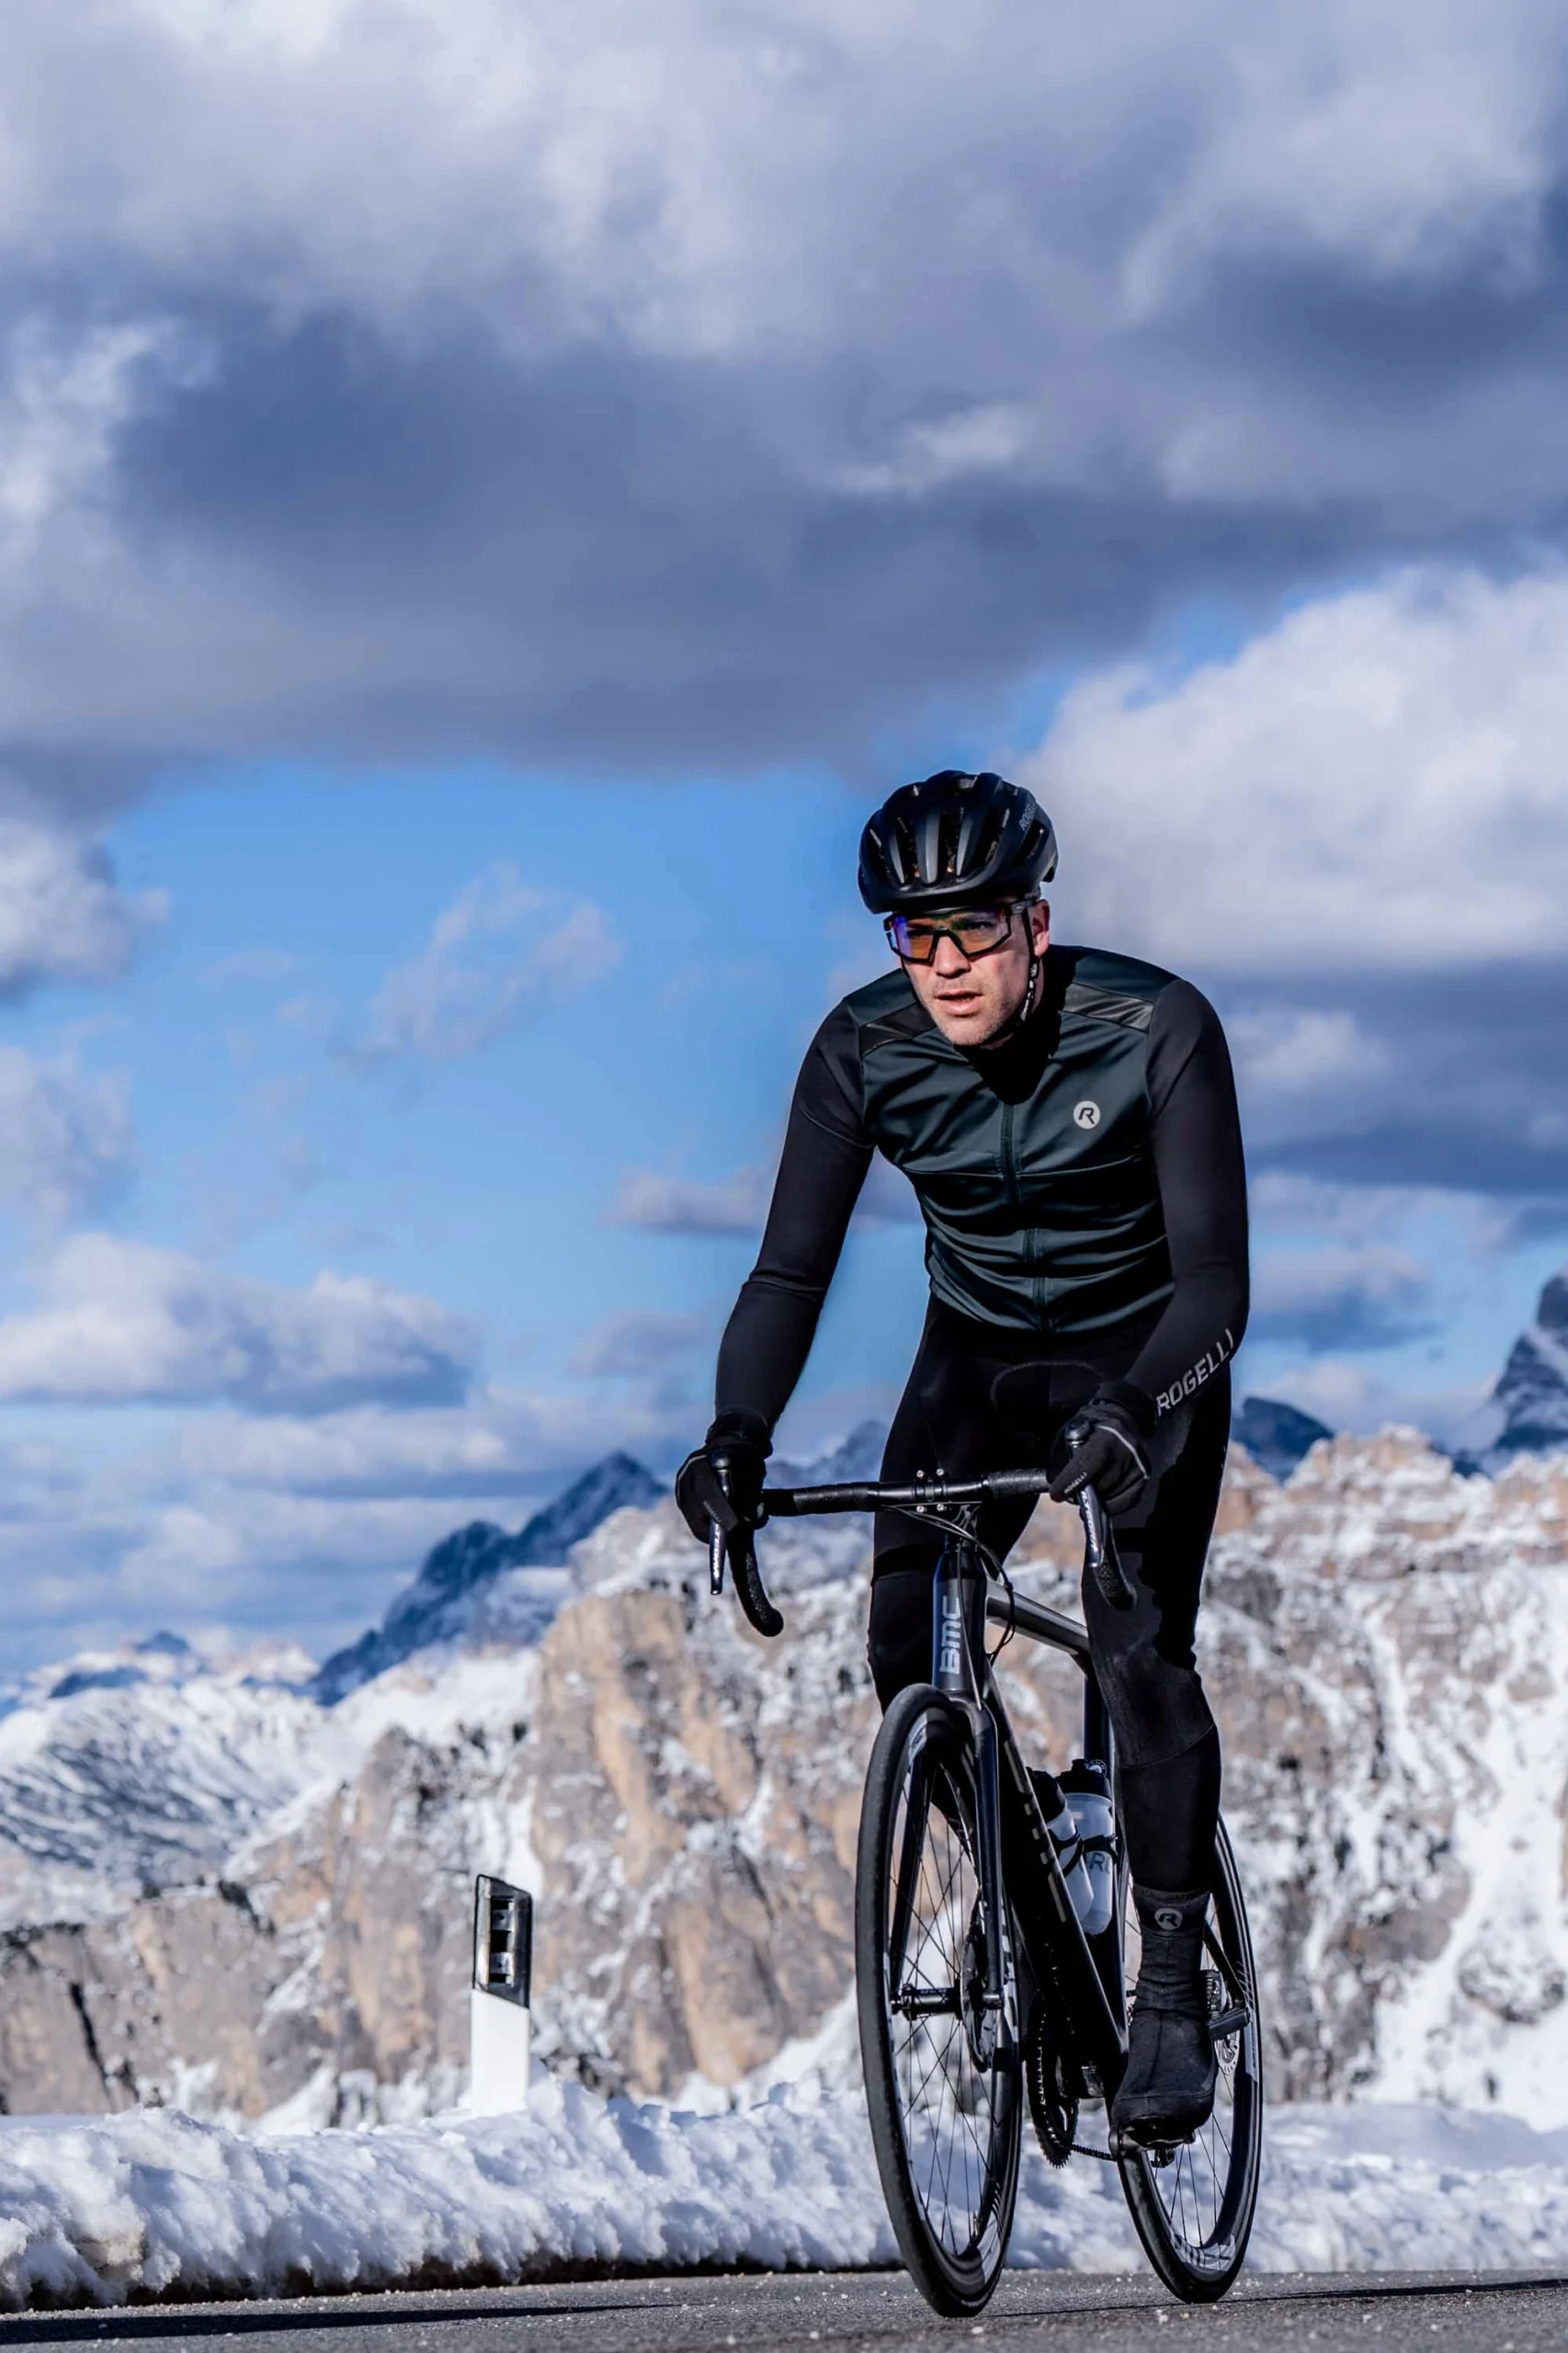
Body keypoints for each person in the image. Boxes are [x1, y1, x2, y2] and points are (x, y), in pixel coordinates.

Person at [676, 768, 1248, 2143]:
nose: (942, 964)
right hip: (975, 1359)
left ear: (1034, 923)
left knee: (1136, 1651)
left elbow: (1218, 1285)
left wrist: (1137, 1409)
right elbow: (788, 1275)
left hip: (1141, 1358)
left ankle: (1171, 1989)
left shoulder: (1155, 1027)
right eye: (913, 935)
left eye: (973, 929)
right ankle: (1040, 1884)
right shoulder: (862, 1050)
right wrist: (735, 1437)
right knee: (903, 1646)